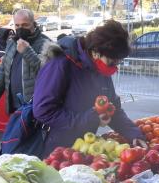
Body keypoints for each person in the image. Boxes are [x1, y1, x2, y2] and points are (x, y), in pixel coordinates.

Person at [31, 20, 146, 157]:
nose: (114, 67)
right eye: (111, 61)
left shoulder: (99, 69)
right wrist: (87, 119)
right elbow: (43, 110)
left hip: (86, 147)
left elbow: (112, 107)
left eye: (117, 62)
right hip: (58, 149)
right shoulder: (60, 64)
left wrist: (134, 134)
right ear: (96, 52)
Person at [0, 9, 52, 118]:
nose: (20, 29)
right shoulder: (11, 43)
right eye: (17, 25)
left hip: (35, 108)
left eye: (25, 25)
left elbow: (48, 74)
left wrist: (26, 51)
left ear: (34, 24)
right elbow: (2, 74)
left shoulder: (46, 44)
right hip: (14, 107)